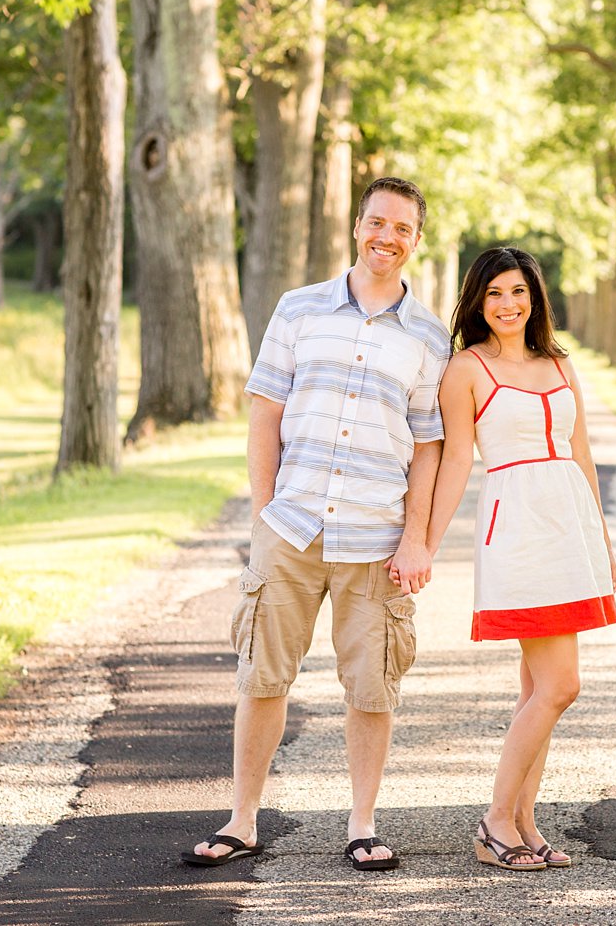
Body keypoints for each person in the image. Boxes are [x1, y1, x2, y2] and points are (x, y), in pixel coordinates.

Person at [183, 177, 451, 872]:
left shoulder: (427, 335)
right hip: (292, 527)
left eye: (401, 228)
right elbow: (265, 414)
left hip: (377, 537)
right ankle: (243, 819)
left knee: (372, 685)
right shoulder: (298, 309)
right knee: (262, 677)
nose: (386, 237)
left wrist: (417, 538)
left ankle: (362, 823)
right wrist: (266, 511)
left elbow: (428, 446)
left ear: (416, 241)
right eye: (376, 222)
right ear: (356, 226)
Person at [421, 246, 616, 871]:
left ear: (535, 298)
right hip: (519, 534)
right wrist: (424, 541)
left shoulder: (559, 362)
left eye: (518, 292)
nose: (508, 305)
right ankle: (494, 821)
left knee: (538, 687)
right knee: (562, 685)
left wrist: (603, 541)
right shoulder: (466, 368)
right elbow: (456, 460)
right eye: (494, 294)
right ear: (477, 302)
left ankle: (525, 822)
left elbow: (580, 449)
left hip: (569, 528)